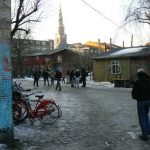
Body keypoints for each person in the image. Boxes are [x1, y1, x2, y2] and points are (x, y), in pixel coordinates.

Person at [131, 69, 150, 141]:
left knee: (142, 117)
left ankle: (145, 135)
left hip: (141, 102)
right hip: (148, 101)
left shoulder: (137, 82)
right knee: (146, 115)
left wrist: (138, 97)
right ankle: (148, 131)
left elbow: (133, 95)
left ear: (139, 75)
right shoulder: (149, 81)